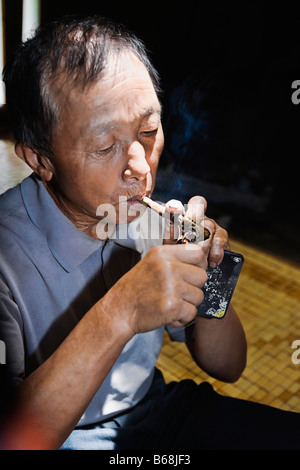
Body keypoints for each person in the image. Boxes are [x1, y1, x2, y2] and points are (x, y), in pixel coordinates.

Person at [0, 15, 299, 451]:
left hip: (156, 412)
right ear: (41, 160)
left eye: (148, 131)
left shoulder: (152, 224)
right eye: (105, 147)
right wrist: (122, 309)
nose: (140, 168)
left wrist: (210, 276)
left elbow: (229, 366)